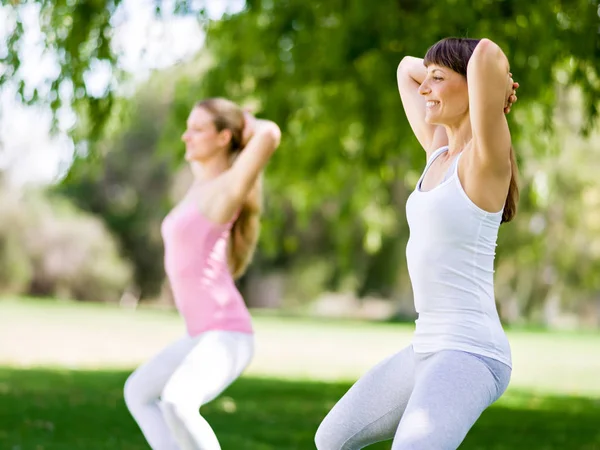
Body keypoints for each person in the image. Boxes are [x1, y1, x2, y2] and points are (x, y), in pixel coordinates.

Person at [315, 37, 519, 450]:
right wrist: (443, 72)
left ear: (472, 88)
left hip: (471, 352)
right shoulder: (437, 152)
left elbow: (487, 56)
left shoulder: (484, 161)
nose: (424, 88)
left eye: (438, 79)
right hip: (424, 347)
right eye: (427, 81)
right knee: (331, 439)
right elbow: (405, 69)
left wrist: (495, 90)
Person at [124, 98, 281, 450]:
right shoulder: (200, 185)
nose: (186, 136)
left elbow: (270, 132)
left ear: (223, 137)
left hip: (227, 334)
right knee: (139, 391)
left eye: (197, 129)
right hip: (200, 334)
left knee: (178, 402)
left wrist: (246, 123)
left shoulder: (227, 189)